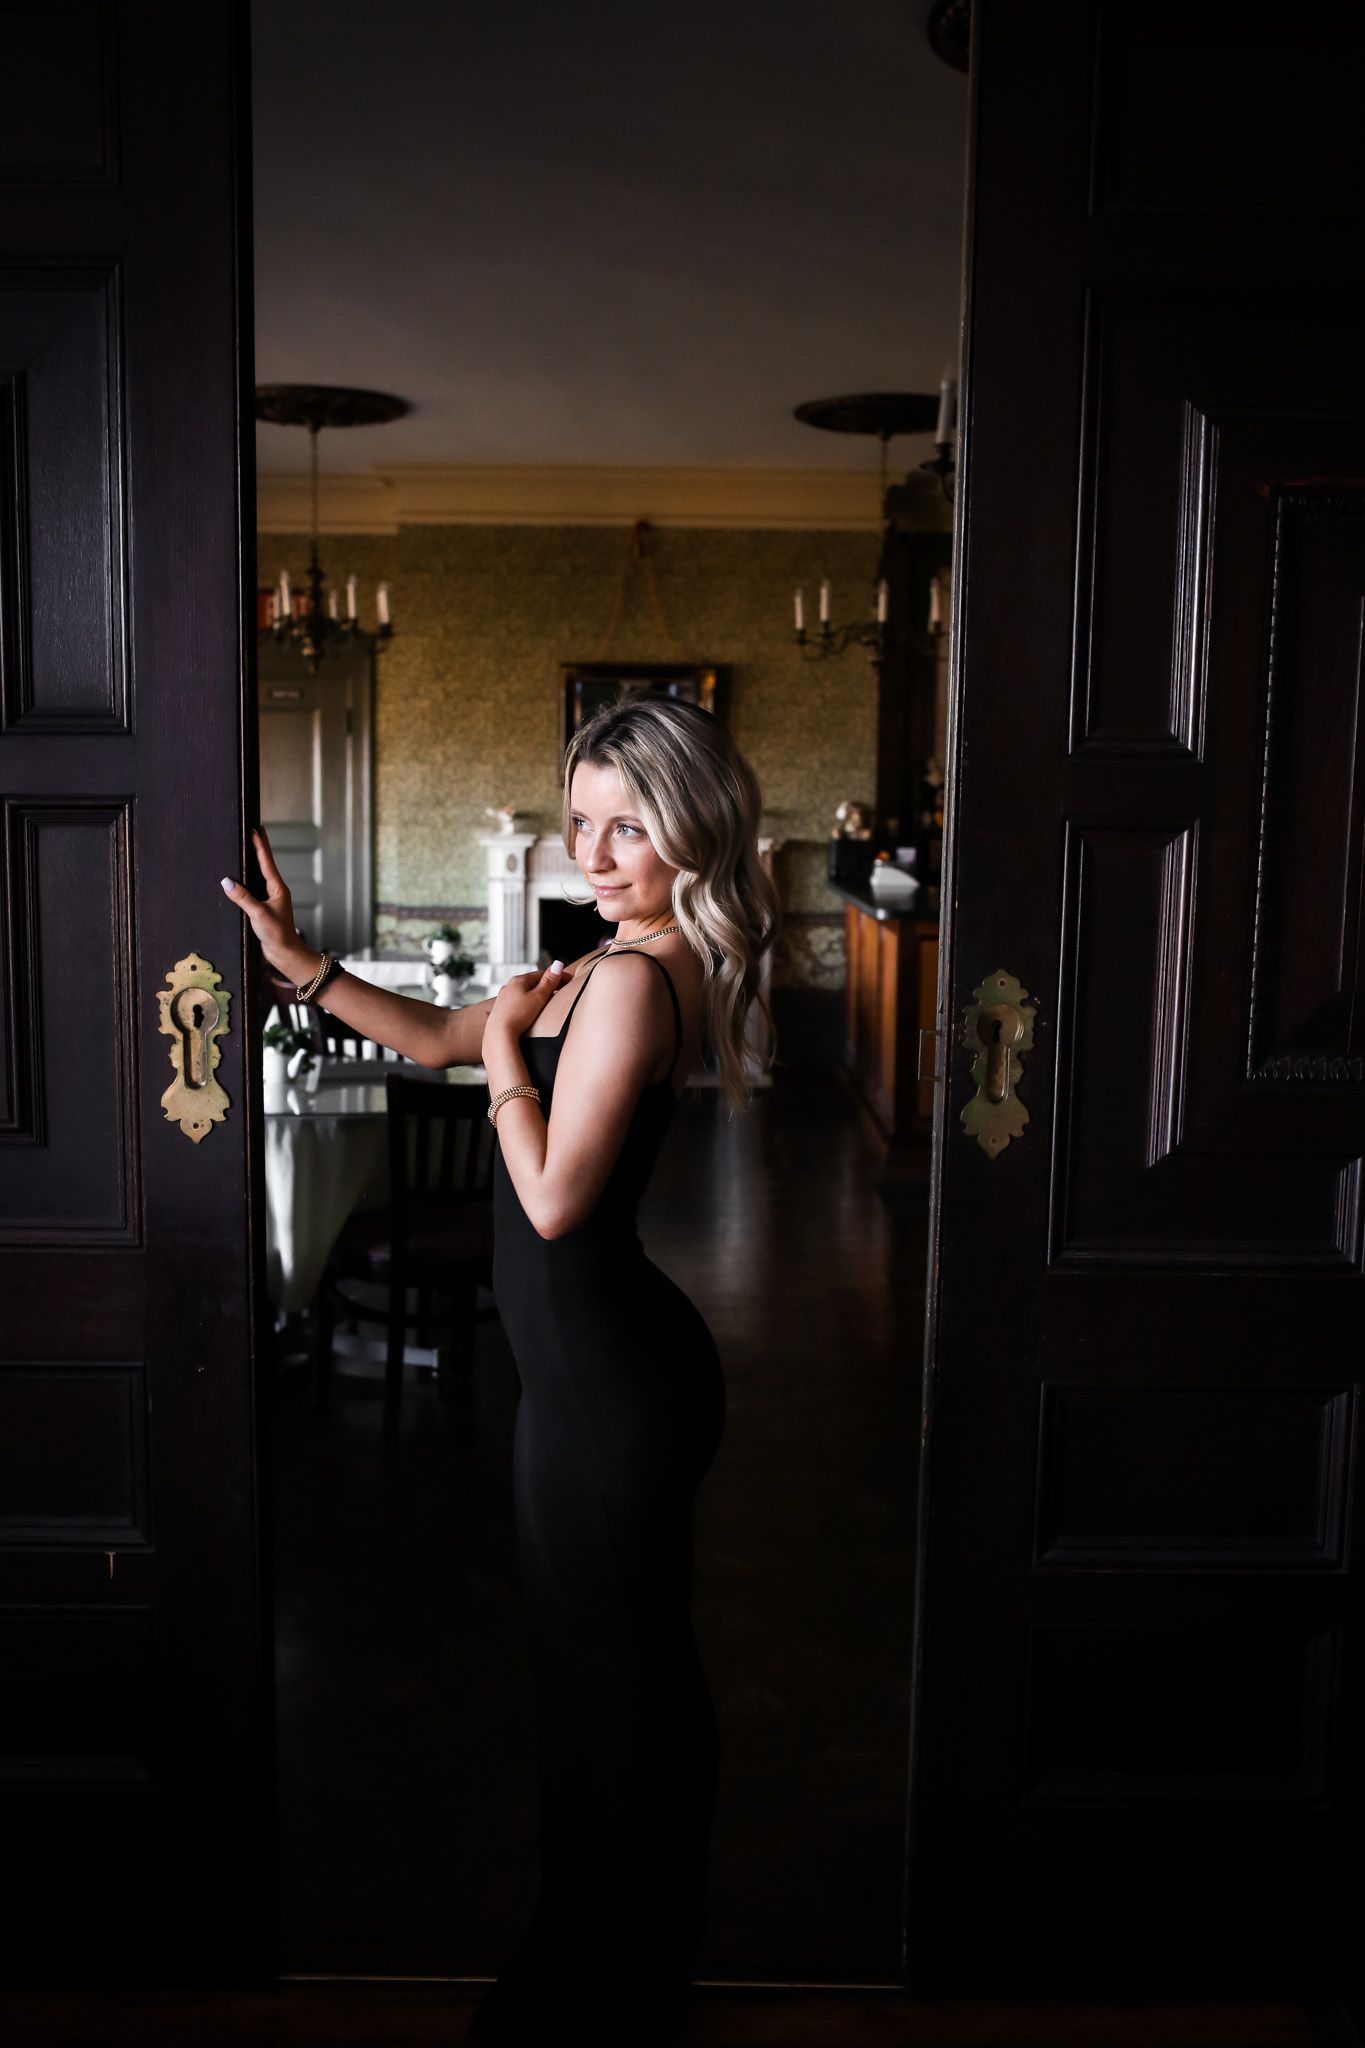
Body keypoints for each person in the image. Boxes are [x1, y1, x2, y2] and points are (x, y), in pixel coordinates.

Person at [222, 695, 780, 2046]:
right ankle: (622, 1954)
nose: (591, 849)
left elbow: (545, 1200)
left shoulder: (637, 981)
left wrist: (499, 1062)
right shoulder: (615, 959)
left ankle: (604, 1979)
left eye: (623, 824)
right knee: (615, 1674)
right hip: (599, 1375)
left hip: (608, 1390)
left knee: (611, 1682)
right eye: (578, 819)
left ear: (687, 826)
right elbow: (427, 1038)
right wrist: (301, 963)